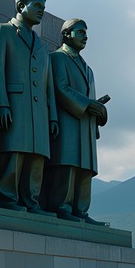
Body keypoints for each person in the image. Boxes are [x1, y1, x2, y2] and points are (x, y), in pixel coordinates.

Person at [0, 0, 58, 213]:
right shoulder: (3, 31)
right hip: (14, 106)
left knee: (36, 157)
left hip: (38, 112)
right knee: (13, 152)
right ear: (21, 7)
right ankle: (5, 198)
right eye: (37, 6)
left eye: (44, 8)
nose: (41, 12)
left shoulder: (42, 46)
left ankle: (30, 201)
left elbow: (49, 87)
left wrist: (52, 116)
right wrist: (0, 103)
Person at [46, 18, 108, 224]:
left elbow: (92, 99)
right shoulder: (57, 59)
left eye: (86, 32)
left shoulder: (88, 69)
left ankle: (81, 210)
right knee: (68, 163)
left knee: (85, 168)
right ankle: (61, 205)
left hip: (86, 125)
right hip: (68, 121)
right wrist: (89, 105)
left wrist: (98, 112)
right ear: (66, 34)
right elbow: (61, 89)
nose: (85, 36)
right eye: (80, 32)